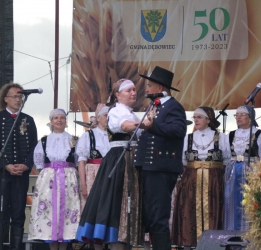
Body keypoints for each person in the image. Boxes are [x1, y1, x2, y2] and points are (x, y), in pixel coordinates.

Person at [76, 79, 146, 250]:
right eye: (128, 90)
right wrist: (144, 124)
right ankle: (118, 236)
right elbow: (123, 126)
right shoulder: (116, 112)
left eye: (134, 90)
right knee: (117, 203)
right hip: (120, 159)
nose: (133, 93)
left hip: (131, 160)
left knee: (127, 203)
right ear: (117, 94)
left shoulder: (131, 113)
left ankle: (126, 235)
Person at [134, 66, 187, 250]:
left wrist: (152, 126)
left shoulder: (174, 106)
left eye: (150, 85)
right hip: (149, 168)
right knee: (150, 215)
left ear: (159, 87)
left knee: (158, 215)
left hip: (161, 168)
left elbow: (179, 130)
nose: (147, 89)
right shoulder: (155, 105)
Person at [0, 82, 38, 250]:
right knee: (0, 213)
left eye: (20, 96)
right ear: (5, 98)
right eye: (15, 96)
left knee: (18, 212)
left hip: (21, 174)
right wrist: (6, 165)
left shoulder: (28, 120)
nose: (18, 99)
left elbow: (33, 146)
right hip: (2, 173)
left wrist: (26, 165)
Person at [172, 106, 228, 247]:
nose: (196, 120)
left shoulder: (221, 137)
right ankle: (190, 243)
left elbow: (226, 159)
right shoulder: (188, 138)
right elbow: (184, 160)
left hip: (213, 179)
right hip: (192, 179)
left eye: (199, 117)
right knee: (189, 209)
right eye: (194, 117)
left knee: (213, 209)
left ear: (208, 120)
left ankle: (213, 244)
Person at [28, 109, 80, 250]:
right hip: (49, 181)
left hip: (68, 179)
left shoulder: (73, 140)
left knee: (67, 210)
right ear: (51, 121)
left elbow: (77, 160)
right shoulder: (44, 141)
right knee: (50, 212)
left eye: (62, 118)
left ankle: (63, 247)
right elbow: (39, 162)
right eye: (56, 118)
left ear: (65, 121)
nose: (59, 120)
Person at [224, 105, 261, 231]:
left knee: (249, 200)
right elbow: (226, 156)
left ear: (250, 117)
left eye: (242, 114)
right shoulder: (231, 135)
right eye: (236, 115)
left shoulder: (259, 134)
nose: (238, 117)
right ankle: (232, 232)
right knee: (231, 200)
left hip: (251, 171)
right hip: (232, 172)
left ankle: (250, 233)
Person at [76, 103, 110, 210]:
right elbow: (81, 162)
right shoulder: (88, 135)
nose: (108, 118)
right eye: (105, 115)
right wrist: (83, 185)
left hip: (111, 173)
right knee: (93, 207)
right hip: (93, 176)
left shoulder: (116, 135)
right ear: (98, 118)